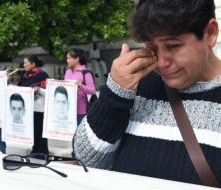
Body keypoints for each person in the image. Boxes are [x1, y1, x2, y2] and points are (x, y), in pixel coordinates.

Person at [73, 0, 221, 186]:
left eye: (173, 46)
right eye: (152, 48)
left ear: (210, 33)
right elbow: (86, 161)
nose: (161, 62)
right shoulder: (134, 86)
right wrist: (115, 94)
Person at [18, 54, 49, 154]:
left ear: (33, 64)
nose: (24, 65)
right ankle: (35, 150)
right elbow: (19, 89)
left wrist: (39, 90)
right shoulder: (24, 76)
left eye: (25, 63)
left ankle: (43, 152)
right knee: (33, 131)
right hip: (28, 108)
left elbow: (49, 90)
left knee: (40, 131)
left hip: (40, 108)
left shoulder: (42, 75)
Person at [64, 48, 96, 125]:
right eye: (67, 58)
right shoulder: (68, 71)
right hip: (67, 110)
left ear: (77, 59)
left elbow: (92, 90)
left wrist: (81, 86)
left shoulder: (85, 72)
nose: (67, 60)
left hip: (81, 111)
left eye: (69, 58)